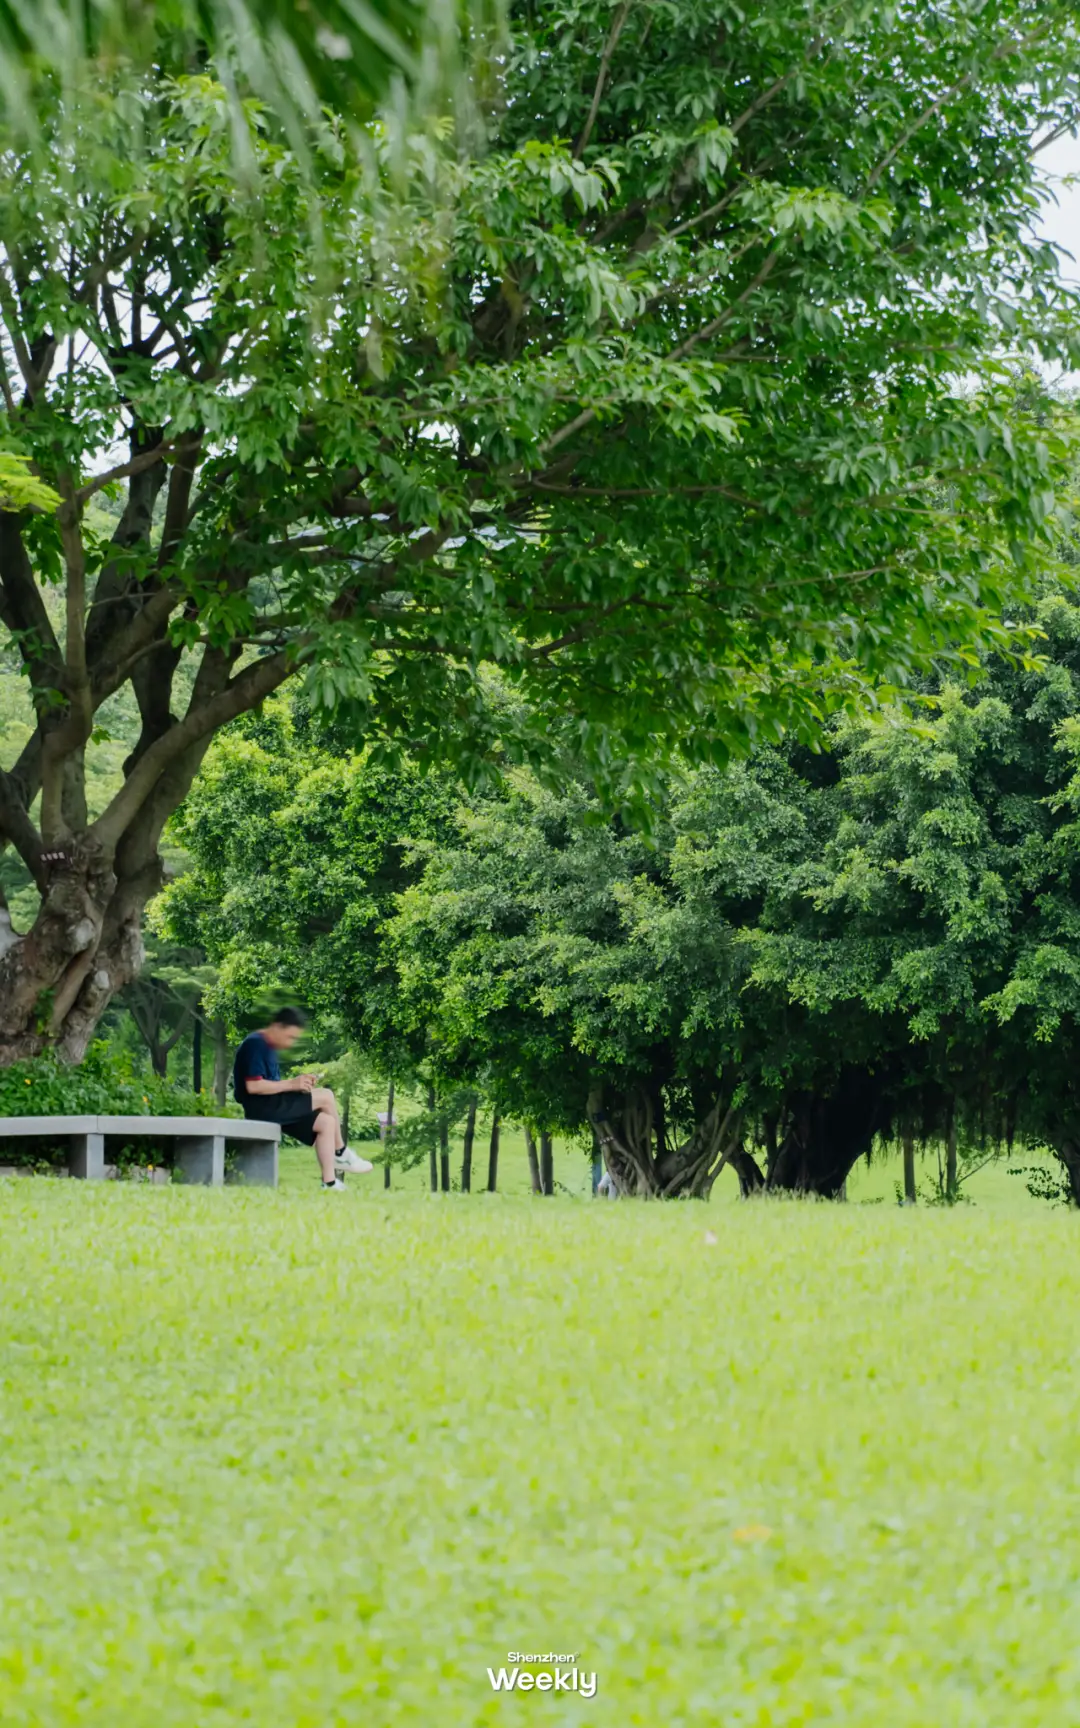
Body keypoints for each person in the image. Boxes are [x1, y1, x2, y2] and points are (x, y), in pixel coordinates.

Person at [232, 1008, 373, 1191]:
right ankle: (340, 1152)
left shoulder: (268, 1047)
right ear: (277, 1026)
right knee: (326, 1096)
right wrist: (292, 1084)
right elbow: (254, 1086)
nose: (291, 1043)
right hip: (262, 1108)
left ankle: (329, 1183)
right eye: (290, 1037)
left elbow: (274, 1084)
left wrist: (299, 1084)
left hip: (272, 1105)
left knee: (327, 1123)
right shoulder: (256, 1044)